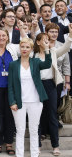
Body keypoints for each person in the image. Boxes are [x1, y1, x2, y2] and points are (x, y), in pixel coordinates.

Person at [8, 37, 52, 157]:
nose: (24, 49)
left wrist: (47, 49)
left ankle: (34, 154)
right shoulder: (13, 65)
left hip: (36, 102)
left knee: (34, 130)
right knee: (20, 130)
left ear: (31, 49)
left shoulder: (36, 62)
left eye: (27, 47)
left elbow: (47, 64)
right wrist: (12, 102)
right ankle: (20, 155)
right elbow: (10, 85)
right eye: (22, 47)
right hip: (19, 102)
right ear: (19, 48)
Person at [34, 26, 72, 155]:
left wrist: (71, 35)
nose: (47, 42)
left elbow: (66, 48)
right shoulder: (33, 55)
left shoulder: (53, 52)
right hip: (37, 86)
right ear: (38, 42)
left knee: (52, 115)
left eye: (48, 40)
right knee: (37, 116)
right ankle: (37, 145)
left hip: (51, 85)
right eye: (44, 40)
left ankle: (55, 146)